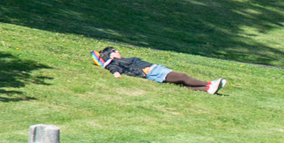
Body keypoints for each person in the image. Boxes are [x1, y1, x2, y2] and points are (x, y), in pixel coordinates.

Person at [93, 46, 226, 96]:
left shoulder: (121, 61)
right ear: (111, 55)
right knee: (182, 76)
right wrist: (115, 73)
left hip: (155, 71)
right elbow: (113, 69)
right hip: (153, 71)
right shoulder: (115, 63)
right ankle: (209, 84)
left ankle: (207, 89)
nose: (118, 51)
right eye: (114, 50)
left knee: (180, 84)